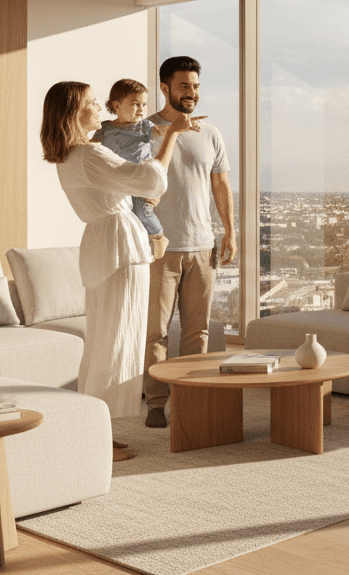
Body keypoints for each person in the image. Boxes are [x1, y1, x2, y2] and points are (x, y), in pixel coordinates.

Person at [40, 80, 199, 461]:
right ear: (74, 113)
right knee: (117, 343)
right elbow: (149, 180)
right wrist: (172, 137)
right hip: (118, 246)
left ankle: (96, 432)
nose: (101, 110)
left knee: (104, 342)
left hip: (103, 244)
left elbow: (133, 186)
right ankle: (99, 439)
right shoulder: (90, 154)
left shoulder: (69, 156)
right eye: (94, 104)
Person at [142, 55, 235, 428]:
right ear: (165, 88)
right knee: (156, 331)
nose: (191, 93)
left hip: (202, 246)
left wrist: (230, 231)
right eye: (183, 86)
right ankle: (155, 403)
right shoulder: (143, 132)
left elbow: (220, 184)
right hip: (159, 248)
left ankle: (191, 396)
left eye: (195, 86)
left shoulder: (211, 134)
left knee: (198, 332)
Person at [92, 78, 169, 260]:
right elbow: (91, 148)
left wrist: (177, 128)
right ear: (117, 106)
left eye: (144, 104)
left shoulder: (144, 126)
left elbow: (161, 131)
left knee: (142, 211)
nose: (141, 110)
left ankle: (158, 236)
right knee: (125, 217)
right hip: (118, 182)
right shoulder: (105, 128)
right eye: (136, 104)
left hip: (141, 181)